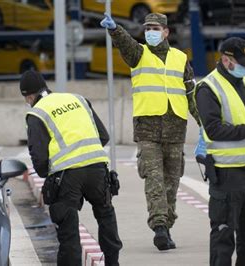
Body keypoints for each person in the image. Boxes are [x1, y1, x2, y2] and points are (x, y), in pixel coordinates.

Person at [100, 12, 201, 250]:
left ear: (166, 32)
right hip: (148, 130)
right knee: (154, 179)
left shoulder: (180, 58)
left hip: (175, 130)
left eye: (154, 28)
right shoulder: (139, 54)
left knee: (171, 183)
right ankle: (160, 228)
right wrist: (115, 29)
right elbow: (126, 44)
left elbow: (191, 94)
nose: (150, 33)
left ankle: (167, 223)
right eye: (146, 29)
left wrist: (206, 125)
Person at [20, 70, 123, 266]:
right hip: (97, 168)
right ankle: (113, 262)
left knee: (69, 229)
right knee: (105, 213)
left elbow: (39, 159)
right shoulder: (78, 99)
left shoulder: (36, 113)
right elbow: (103, 136)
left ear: (29, 96)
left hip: (67, 176)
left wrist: (49, 173)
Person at [194, 37, 245, 266]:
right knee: (224, 239)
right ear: (226, 60)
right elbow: (214, 129)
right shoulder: (207, 88)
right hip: (227, 176)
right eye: (242, 62)